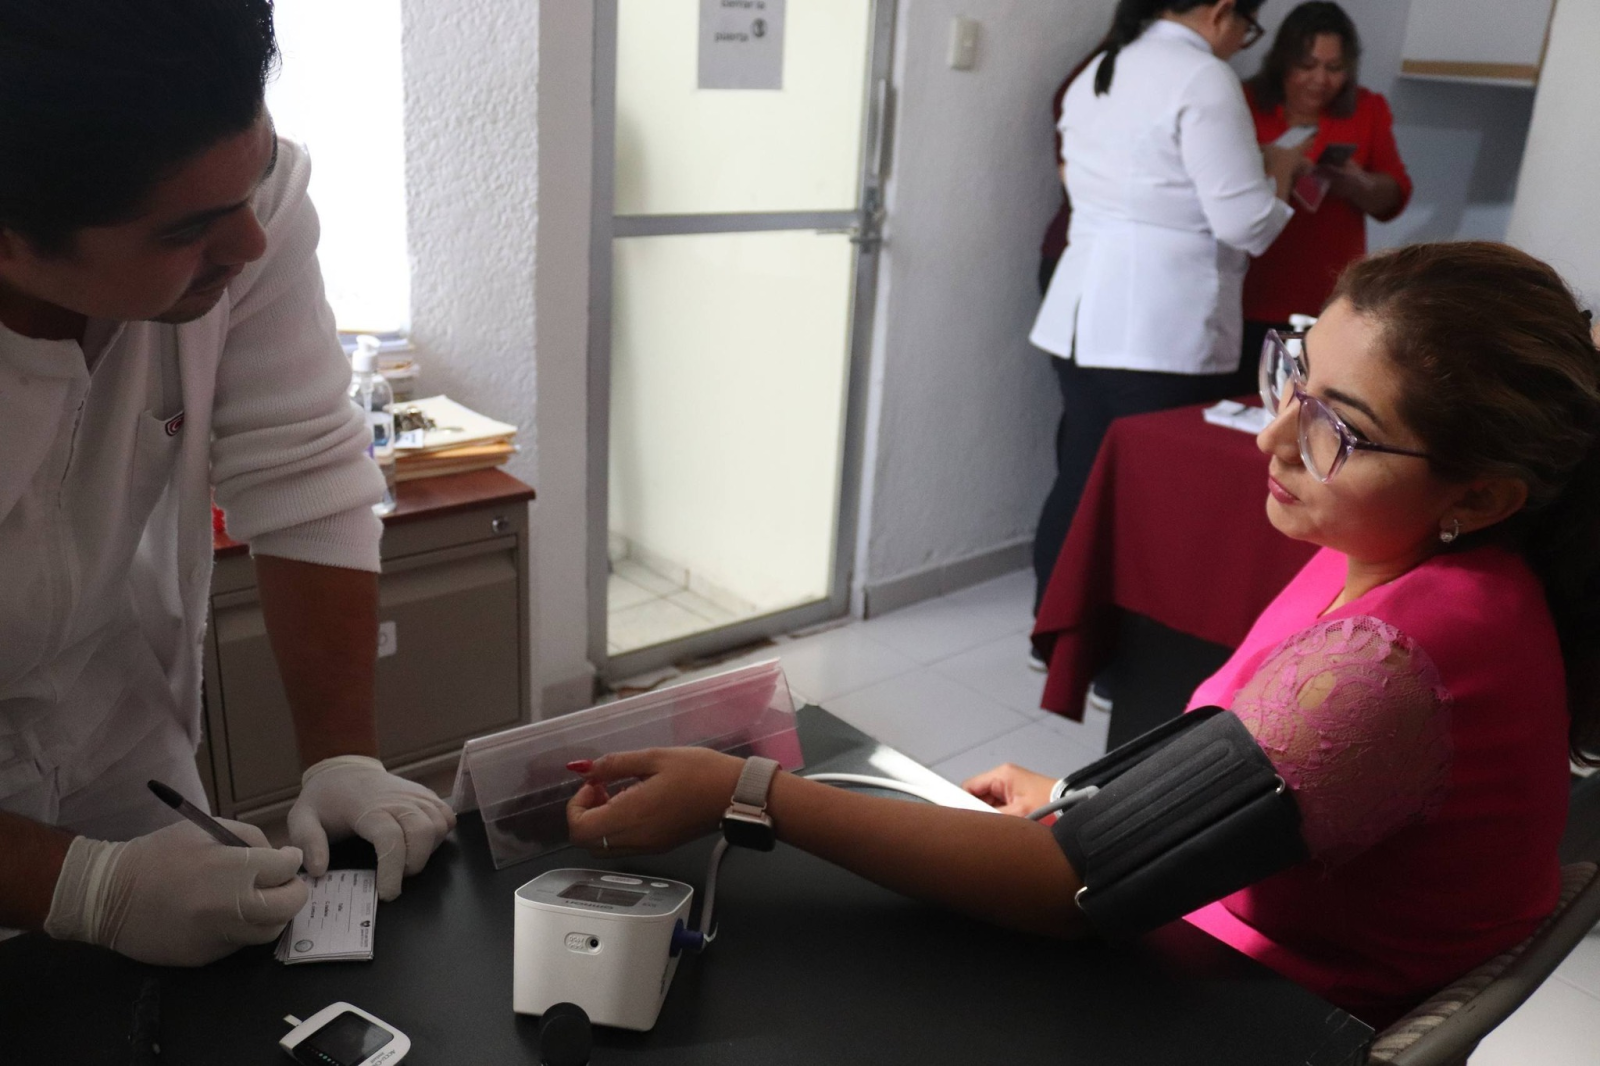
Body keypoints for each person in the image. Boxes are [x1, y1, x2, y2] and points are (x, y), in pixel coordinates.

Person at [562, 242, 1600, 1029]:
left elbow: (1069, 889)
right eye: (1293, 377)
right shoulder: (1386, 554)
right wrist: (1087, 797)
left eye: (1339, 426)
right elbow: (1247, 748)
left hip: (1270, 1014)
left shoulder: (1396, 662)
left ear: (1480, 493)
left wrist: (748, 793)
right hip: (1222, 926)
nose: (1274, 437)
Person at [0, 1, 454, 967]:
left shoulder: (241, 210)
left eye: (256, 175)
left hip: (115, 734)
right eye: (190, 229)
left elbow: (304, 469)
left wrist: (343, 758)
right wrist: (84, 889)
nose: (249, 243)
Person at [1028, 0, 1307, 621]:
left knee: (1081, 476)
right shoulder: (1204, 77)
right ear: (1223, 11)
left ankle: (1054, 631)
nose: (1241, 42)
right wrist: (1281, 170)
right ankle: (1115, 653)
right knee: (1146, 497)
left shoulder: (1102, 66)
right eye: (1247, 28)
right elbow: (1245, 224)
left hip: (1080, 312)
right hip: (1157, 325)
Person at [1238, 2, 1410, 383]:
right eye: (1307, 65)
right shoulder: (1243, 102)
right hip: (1251, 293)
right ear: (1282, 62)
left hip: (1332, 303)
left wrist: (1360, 185)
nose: (1320, 80)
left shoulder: (1366, 109)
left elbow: (1395, 195)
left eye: (1334, 68)